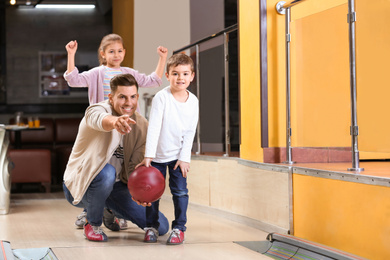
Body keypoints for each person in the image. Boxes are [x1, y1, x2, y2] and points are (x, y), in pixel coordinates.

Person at [64, 33, 168, 230]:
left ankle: (109, 208)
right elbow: (73, 79)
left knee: (160, 227)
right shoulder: (97, 76)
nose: (116, 54)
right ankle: (92, 214)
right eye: (111, 51)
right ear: (103, 54)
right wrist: (71, 55)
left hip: (125, 130)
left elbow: (153, 80)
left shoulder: (130, 77)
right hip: (102, 125)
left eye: (120, 51)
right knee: (106, 171)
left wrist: (141, 192)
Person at [135, 53, 199, 245]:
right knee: (152, 193)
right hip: (156, 157)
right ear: (167, 75)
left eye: (185, 73)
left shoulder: (193, 101)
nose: (180, 78)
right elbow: (153, 126)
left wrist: (185, 157)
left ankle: (179, 228)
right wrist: (149, 156)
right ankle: (151, 226)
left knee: (180, 192)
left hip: (178, 158)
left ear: (192, 76)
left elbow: (190, 131)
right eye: (175, 73)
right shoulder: (161, 98)